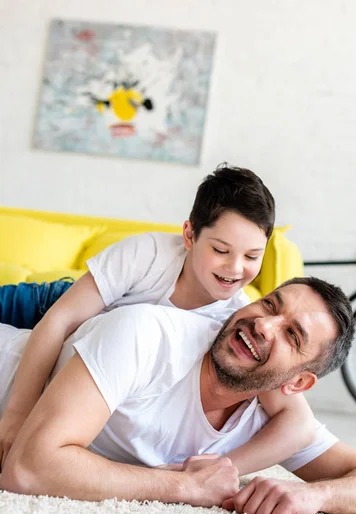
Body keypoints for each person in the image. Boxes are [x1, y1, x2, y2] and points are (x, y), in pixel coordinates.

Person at [0, 165, 316, 477]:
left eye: (251, 257)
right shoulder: (147, 255)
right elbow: (59, 321)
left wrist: (223, 468)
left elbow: (299, 423)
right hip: (52, 303)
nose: (235, 268)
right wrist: (16, 416)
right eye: (221, 250)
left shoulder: (238, 319)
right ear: (190, 235)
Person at [2, 277, 356, 514]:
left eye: (292, 335)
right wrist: (183, 487)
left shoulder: (274, 417)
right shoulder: (147, 333)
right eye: (270, 305)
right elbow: (27, 468)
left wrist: (316, 495)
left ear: (297, 383)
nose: (264, 324)